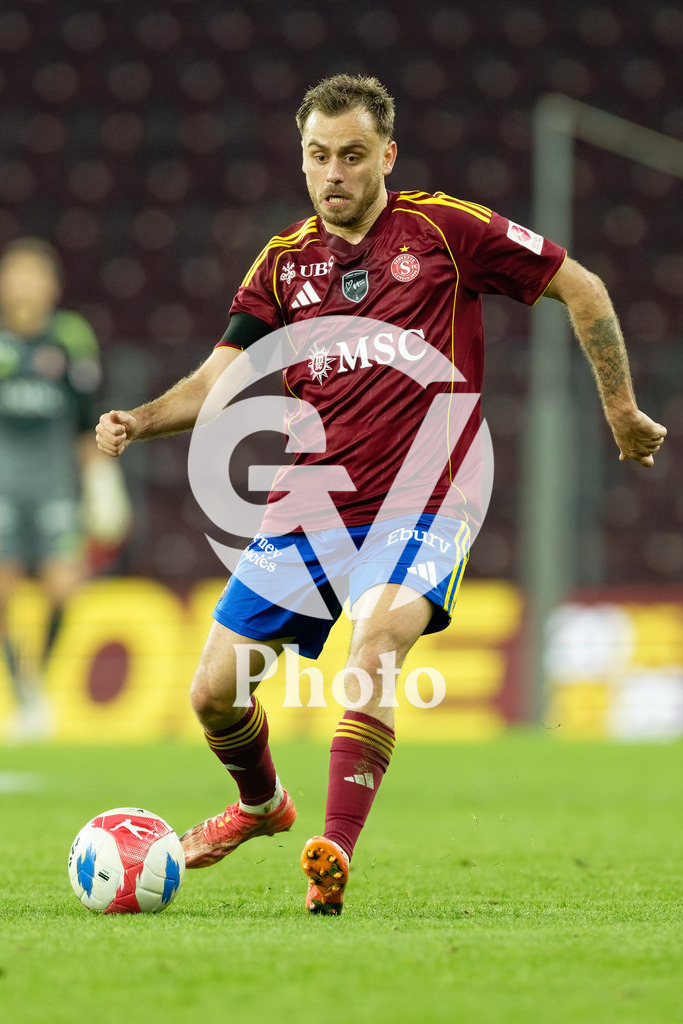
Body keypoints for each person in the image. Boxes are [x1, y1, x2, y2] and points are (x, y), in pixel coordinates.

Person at [96, 75, 666, 915]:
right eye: (318, 157)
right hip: (312, 504)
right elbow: (215, 381)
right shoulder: (284, 262)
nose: (334, 173)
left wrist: (618, 407)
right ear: (302, 160)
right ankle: (262, 808)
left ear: (386, 156)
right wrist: (138, 421)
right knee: (213, 692)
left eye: (352, 156)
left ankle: (334, 851)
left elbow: (581, 285)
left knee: (375, 650)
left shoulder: (445, 228)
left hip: (427, 498)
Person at [0, 238, 128, 741]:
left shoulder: (70, 338)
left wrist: (103, 484)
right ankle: (22, 694)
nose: (26, 284)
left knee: (63, 586)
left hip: (55, 483)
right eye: (17, 274)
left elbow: (83, 420)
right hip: (4, 484)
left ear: (52, 285)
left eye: (35, 275)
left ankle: (37, 685)